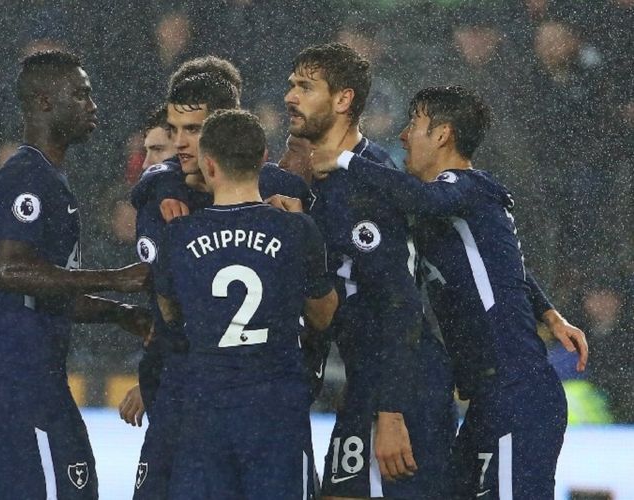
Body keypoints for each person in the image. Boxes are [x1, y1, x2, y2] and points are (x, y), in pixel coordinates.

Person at [310, 85, 589, 499]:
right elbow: (508, 267)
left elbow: (424, 198)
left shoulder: (467, 186)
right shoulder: (444, 214)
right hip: (485, 401)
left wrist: (347, 160)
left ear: (442, 135)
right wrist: (549, 313)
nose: (403, 136)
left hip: (518, 391)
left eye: (414, 125)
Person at [0, 51, 152, 500]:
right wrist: (113, 277)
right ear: (45, 102)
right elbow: (11, 270)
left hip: (35, 374)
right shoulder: (26, 175)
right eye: (81, 94)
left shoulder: (51, 178)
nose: (93, 104)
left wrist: (122, 314)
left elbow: (51, 289)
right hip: (13, 376)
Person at [128, 63, 313, 500]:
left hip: (261, 392)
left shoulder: (279, 196)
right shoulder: (162, 194)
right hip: (181, 387)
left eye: (192, 130)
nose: (180, 144)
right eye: (174, 130)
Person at [279, 42, 456, 500]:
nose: (289, 97)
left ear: (343, 100)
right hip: (367, 378)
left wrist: (393, 413)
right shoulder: (310, 178)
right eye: (291, 85)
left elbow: (400, 303)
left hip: (405, 382)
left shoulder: (368, 185)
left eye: (305, 87)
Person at [154, 109, 338, 499]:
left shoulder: (180, 235)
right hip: (276, 408)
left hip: (206, 406)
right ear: (263, 158)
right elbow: (324, 314)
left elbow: (169, 313)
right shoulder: (296, 229)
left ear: (209, 165)